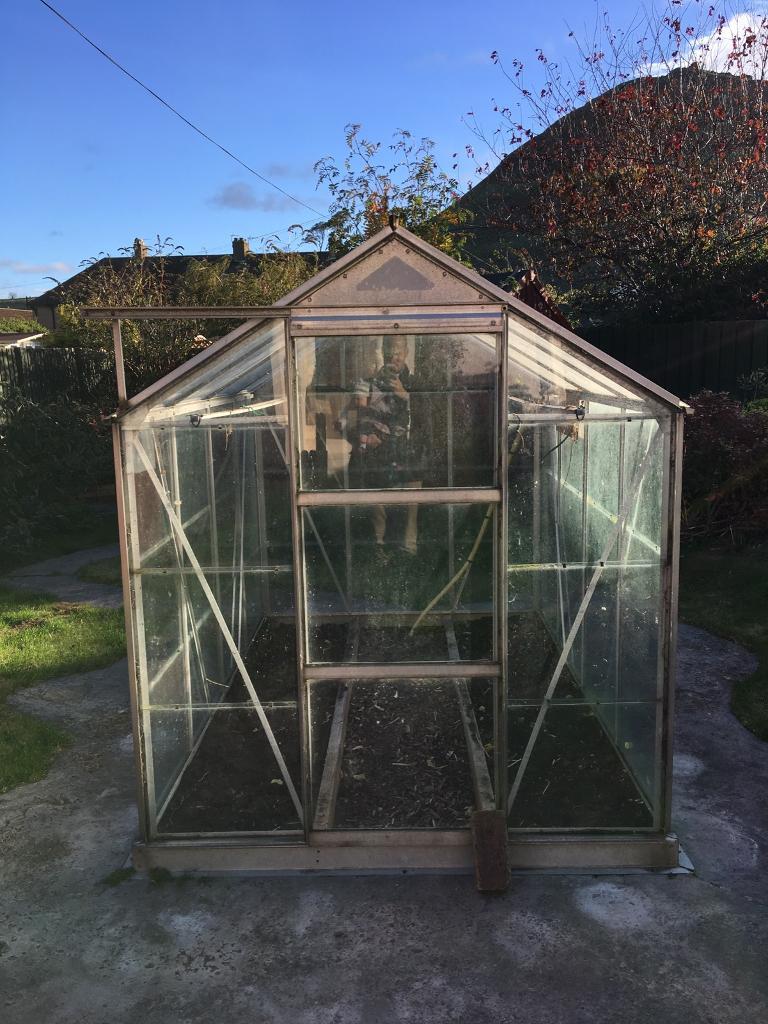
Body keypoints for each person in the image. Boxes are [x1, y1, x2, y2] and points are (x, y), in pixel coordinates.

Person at [348, 336, 422, 558]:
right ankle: (378, 550)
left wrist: (404, 395)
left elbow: (425, 416)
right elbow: (355, 417)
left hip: (407, 452)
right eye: (389, 352)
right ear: (384, 353)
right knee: (377, 504)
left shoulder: (415, 383)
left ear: (406, 352)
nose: (393, 357)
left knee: (411, 504)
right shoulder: (369, 382)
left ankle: (408, 551)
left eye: (398, 352)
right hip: (377, 454)